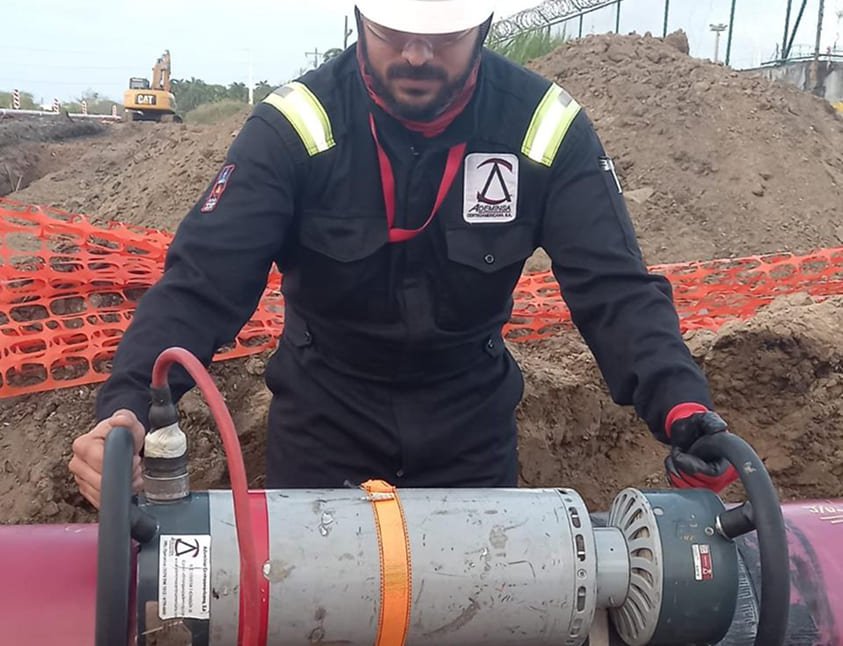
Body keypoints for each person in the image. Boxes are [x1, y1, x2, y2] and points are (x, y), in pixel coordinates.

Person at [69, 0, 738, 508]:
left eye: (442, 35)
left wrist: (679, 405)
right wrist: (126, 409)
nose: (416, 54)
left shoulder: (542, 126)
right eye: (393, 32)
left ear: (482, 24)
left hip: (469, 439)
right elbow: (200, 286)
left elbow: (613, 289)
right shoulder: (296, 128)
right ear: (359, 18)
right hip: (322, 433)